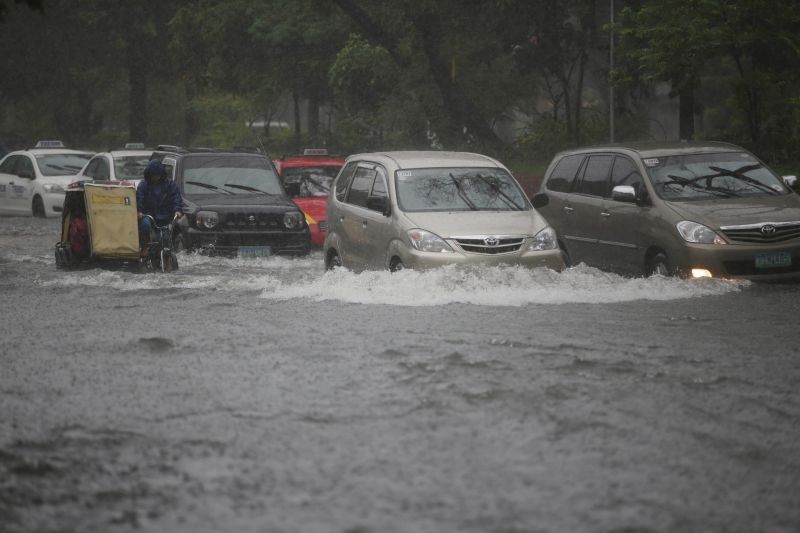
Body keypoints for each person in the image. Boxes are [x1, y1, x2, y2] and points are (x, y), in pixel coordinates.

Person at [136, 159, 183, 250]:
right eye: (153, 175)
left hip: (165, 216)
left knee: (164, 239)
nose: (156, 177)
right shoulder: (143, 185)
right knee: (145, 226)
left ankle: (167, 260)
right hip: (148, 215)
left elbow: (176, 197)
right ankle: (144, 247)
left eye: (158, 175)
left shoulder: (170, 184)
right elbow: (139, 198)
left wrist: (177, 210)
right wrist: (139, 211)